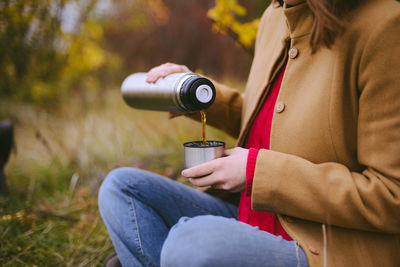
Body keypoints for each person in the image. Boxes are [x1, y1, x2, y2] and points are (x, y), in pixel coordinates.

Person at [98, 0, 400, 266]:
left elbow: (392, 195)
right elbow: (277, 119)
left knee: (189, 242)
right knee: (121, 188)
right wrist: (200, 95)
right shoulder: (275, 16)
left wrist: (258, 172)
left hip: (324, 246)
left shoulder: (384, 25)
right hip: (251, 215)